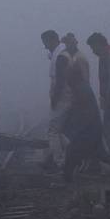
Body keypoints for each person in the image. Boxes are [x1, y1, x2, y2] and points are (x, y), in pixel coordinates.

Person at [61, 53, 108, 182]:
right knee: (102, 155)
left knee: (72, 152)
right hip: (92, 129)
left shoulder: (80, 89)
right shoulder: (81, 87)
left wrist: (75, 131)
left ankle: (67, 180)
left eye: (67, 74)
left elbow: (84, 114)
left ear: (72, 76)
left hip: (90, 131)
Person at [87, 33, 110, 164]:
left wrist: (107, 99)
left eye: (93, 47)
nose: (93, 51)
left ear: (99, 44)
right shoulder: (106, 56)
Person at [43, 29, 69, 169]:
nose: (45, 47)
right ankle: (73, 151)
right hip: (66, 96)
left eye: (45, 43)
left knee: (53, 131)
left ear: (51, 40)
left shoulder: (59, 55)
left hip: (62, 97)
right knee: (59, 130)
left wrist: (54, 98)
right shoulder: (61, 51)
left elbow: (58, 81)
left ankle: (60, 162)